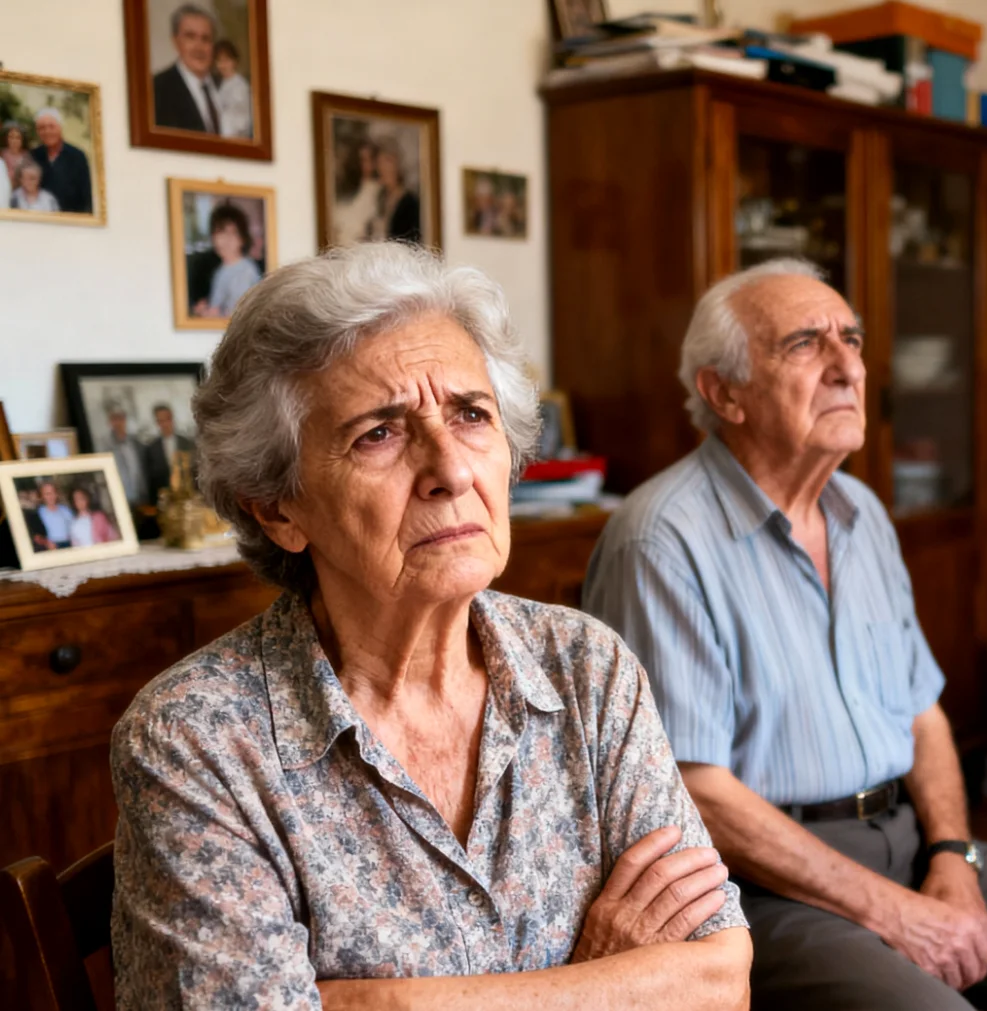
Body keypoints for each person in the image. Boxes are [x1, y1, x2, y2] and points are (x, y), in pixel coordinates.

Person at [110, 243, 752, 1009]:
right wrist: (604, 975)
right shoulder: (197, 738)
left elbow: (719, 978)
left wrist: (378, 1002)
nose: (451, 468)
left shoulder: (585, 666)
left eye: (471, 414)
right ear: (278, 508)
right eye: (378, 433)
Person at [586, 259, 987, 1011]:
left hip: (906, 837)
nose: (847, 366)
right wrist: (893, 911)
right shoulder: (661, 538)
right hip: (759, 885)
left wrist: (953, 855)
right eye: (804, 343)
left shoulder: (862, 512)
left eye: (850, 339)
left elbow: (922, 714)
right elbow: (696, 790)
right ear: (724, 393)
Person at [152, 3, 221, 134]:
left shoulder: (224, 86)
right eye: (190, 37)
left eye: (206, 39)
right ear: (176, 41)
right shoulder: (157, 89)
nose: (199, 47)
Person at [195, 202, 262, 317]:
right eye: (220, 233)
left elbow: (237, 313)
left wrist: (211, 313)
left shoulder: (245, 270)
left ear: (242, 238)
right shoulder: (220, 270)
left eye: (232, 234)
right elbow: (217, 305)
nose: (225, 240)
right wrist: (204, 309)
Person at [28, 107, 90, 215]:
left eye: (51, 126)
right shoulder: (33, 156)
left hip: (70, 218)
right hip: (39, 218)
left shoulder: (77, 156)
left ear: (60, 128)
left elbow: (86, 196)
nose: (47, 131)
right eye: (42, 128)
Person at [141, 404, 197, 499]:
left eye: (167, 419)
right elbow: (151, 479)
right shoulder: (151, 449)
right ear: (157, 423)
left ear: (172, 419)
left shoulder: (187, 444)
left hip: (189, 496)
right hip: (165, 498)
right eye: (161, 421)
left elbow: (196, 471)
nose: (165, 424)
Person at [374, 137, 423, 244]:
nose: (382, 168)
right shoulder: (380, 198)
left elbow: (412, 242)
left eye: (388, 161)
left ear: (398, 165)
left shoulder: (410, 202)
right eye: (379, 162)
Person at [100, 406, 150, 505]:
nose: (118, 423)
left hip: (141, 497)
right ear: (110, 422)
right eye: (114, 419)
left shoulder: (135, 442)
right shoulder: (104, 446)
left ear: (125, 420)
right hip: (119, 498)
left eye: (120, 418)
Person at [212, 38, 252, 139]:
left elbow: (243, 121)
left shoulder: (241, 86)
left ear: (234, 61)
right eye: (219, 61)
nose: (222, 65)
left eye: (226, 60)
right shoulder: (220, 84)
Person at [34, 481, 76, 550]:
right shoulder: (38, 513)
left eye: (53, 492)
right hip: (52, 546)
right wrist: (46, 542)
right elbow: (36, 537)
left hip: (69, 543)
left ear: (57, 494)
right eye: (47, 494)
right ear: (41, 496)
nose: (51, 496)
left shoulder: (65, 510)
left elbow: (74, 527)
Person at [2, 121, 28, 190]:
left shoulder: (27, 156)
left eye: (18, 137)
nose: (14, 140)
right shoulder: (2, 154)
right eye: (11, 137)